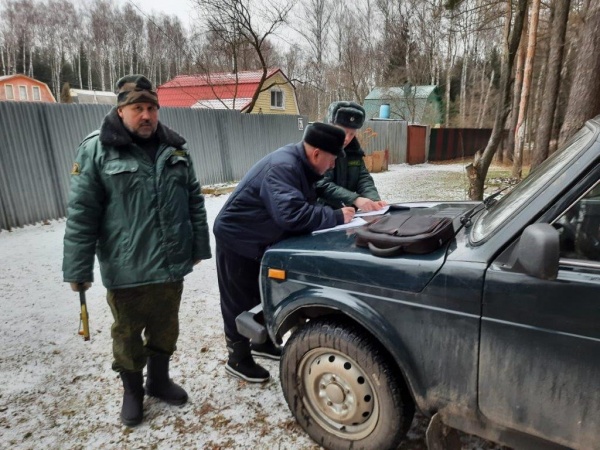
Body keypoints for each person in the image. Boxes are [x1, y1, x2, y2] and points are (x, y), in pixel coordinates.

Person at [62, 75, 212, 427]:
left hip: (171, 265)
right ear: (121, 110)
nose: (146, 115)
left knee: (166, 329)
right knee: (128, 335)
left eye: (151, 108)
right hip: (126, 267)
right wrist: (78, 269)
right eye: (137, 108)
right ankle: (132, 391)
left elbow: (194, 200)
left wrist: (198, 246)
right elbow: (82, 213)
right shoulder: (96, 149)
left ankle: (158, 381)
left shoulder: (175, 148)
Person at [213, 122, 355, 383]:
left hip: (259, 238)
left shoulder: (300, 164)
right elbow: (291, 214)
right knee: (237, 300)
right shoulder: (284, 167)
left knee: (259, 295)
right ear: (316, 154)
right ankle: (237, 358)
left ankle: (260, 342)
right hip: (237, 237)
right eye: (332, 159)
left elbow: (306, 199)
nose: (332, 165)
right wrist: (335, 216)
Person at [316, 101, 388, 212]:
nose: (347, 138)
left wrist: (373, 199)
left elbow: (363, 178)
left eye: (352, 134)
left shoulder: (355, 152)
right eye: (343, 132)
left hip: (348, 214)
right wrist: (355, 199)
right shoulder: (319, 150)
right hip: (322, 214)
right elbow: (321, 184)